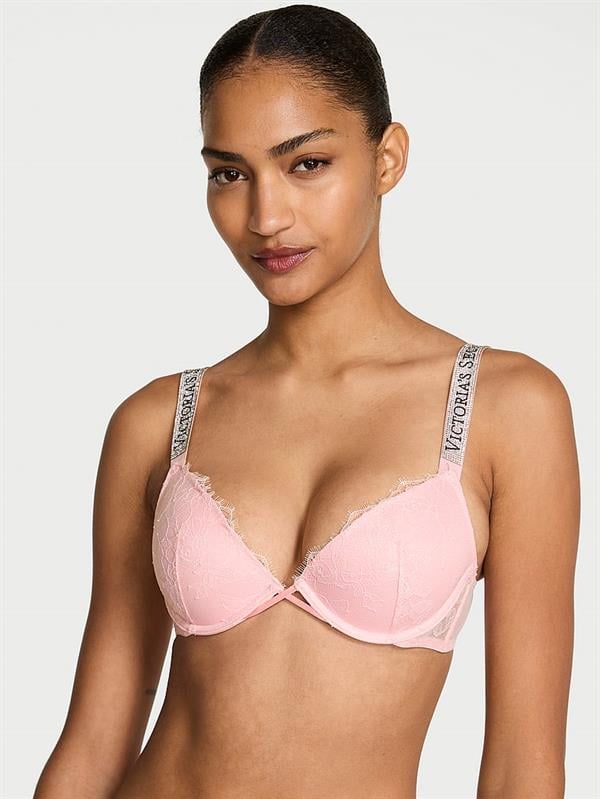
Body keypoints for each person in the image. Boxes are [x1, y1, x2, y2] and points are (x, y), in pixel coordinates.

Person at [34, 5, 580, 798]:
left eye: (307, 163)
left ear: (387, 158)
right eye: (229, 173)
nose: (266, 217)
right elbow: (91, 745)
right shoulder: (158, 422)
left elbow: (524, 768)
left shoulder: (507, 408)